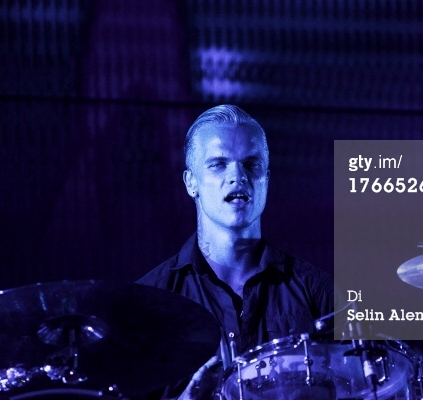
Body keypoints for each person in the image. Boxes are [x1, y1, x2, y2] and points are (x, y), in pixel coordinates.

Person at [137, 104, 337, 399]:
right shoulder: (147, 301)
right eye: (218, 164)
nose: (237, 176)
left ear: (266, 178)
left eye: (251, 164)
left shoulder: (318, 292)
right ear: (191, 183)